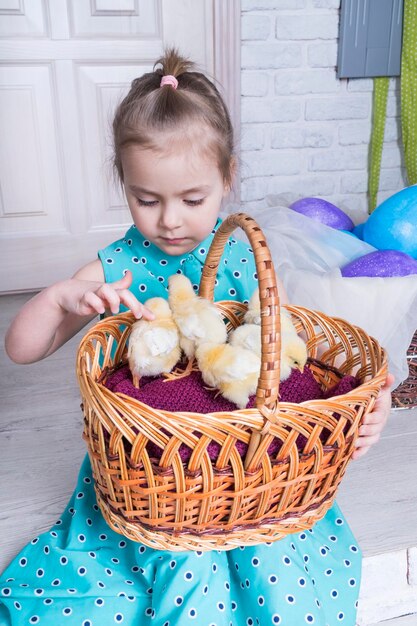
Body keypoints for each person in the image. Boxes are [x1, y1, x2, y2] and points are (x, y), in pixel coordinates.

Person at [1, 49, 393, 626]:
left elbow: (297, 351)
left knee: (276, 569)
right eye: (146, 199)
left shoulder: (241, 254)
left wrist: (373, 398)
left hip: (246, 467)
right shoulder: (120, 267)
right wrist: (62, 298)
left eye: (192, 199)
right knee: (170, 569)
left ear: (227, 178)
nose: (170, 222)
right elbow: (22, 348)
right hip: (154, 474)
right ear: (124, 184)